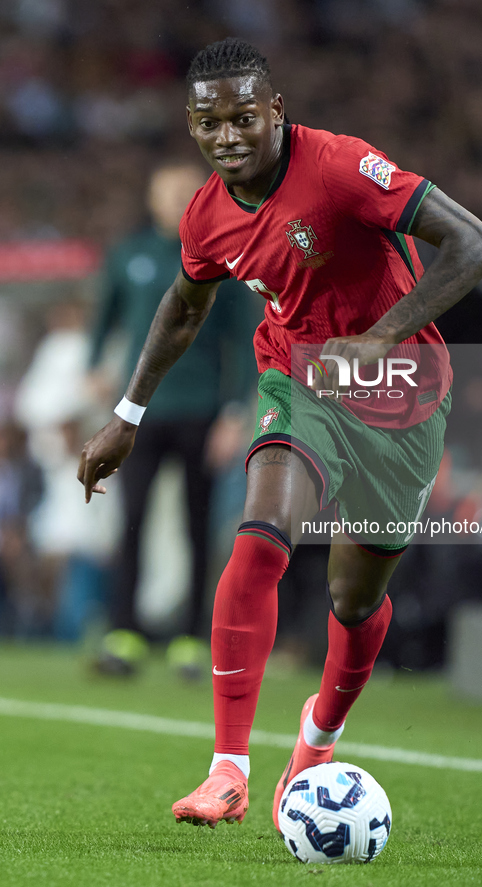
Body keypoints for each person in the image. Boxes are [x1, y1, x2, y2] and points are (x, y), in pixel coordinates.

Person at [78, 38, 482, 829]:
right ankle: (227, 771)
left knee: (353, 594)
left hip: (399, 390)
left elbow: (473, 243)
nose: (227, 136)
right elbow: (184, 305)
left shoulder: (340, 165)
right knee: (259, 539)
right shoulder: (205, 214)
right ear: (193, 127)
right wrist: (126, 414)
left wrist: (380, 335)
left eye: (243, 117)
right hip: (297, 376)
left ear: (275, 110)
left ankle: (316, 739)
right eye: (209, 123)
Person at [86, 162, 257, 675]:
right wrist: (93, 366)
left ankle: (190, 638)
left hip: (202, 408)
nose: (179, 199)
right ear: (153, 199)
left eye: (188, 191)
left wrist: (234, 412)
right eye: (169, 192)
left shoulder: (224, 260)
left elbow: (244, 342)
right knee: (131, 519)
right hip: (138, 412)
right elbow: (103, 318)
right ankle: (124, 632)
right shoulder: (128, 254)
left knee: (198, 524)